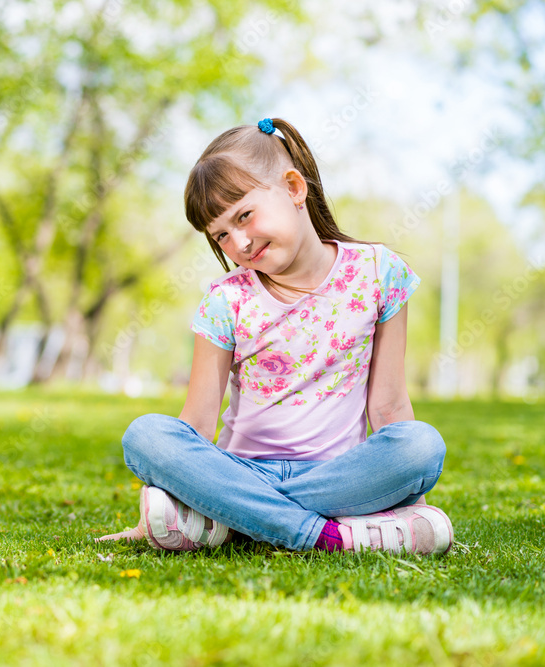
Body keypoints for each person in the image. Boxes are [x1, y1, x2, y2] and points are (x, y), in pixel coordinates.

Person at [97, 118, 453, 554]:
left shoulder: (379, 274)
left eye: (244, 215)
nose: (240, 243)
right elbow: (197, 424)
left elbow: (390, 405)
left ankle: (229, 519)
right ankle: (325, 535)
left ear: (294, 188)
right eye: (222, 235)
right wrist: (179, 476)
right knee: (146, 435)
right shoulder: (226, 301)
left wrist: (403, 490)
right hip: (243, 472)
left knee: (420, 446)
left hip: (338, 476)